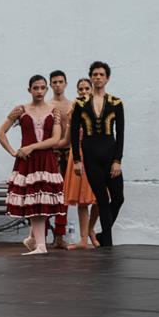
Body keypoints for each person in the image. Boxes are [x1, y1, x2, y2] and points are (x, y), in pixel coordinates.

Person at [0, 75, 65, 255]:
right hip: (28, 163)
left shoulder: (54, 111)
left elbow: (56, 139)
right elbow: (0, 133)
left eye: (43, 88)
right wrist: (12, 151)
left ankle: (35, 240)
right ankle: (38, 243)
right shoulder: (21, 110)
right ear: (29, 90)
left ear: (47, 89)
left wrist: (31, 147)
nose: (40, 91)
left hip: (46, 160)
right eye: (36, 88)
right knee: (34, 201)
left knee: (43, 200)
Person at [69, 62, 125, 248]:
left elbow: (121, 133)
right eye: (95, 74)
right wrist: (77, 160)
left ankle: (102, 234)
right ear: (91, 77)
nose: (98, 77)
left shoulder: (116, 103)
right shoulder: (80, 103)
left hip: (110, 154)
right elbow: (74, 132)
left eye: (101, 74)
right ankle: (107, 243)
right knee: (102, 199)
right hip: (91, 155)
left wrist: (118, 160)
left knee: (118, 198)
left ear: (107, 78)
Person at [65, 78, 100, 249]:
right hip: (78, 154)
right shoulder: (74, 110)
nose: (84, 91)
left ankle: (91, 228)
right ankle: (83, 238)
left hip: (95, 153)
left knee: (100, 197)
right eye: (80, 89)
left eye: (87, 88)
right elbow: (68, 136)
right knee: (82, 200)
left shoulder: (99, 107)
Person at [48, 70, 71, 248]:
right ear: (50, 84)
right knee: (49, 194)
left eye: (60, 82)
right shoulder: (47, 106)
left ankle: (60, 235)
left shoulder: (72, 105)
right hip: (52, 153)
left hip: (69, 153)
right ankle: (41, 235)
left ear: (65, 84)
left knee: (66, 194)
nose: (57, 85)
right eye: (54, 82)